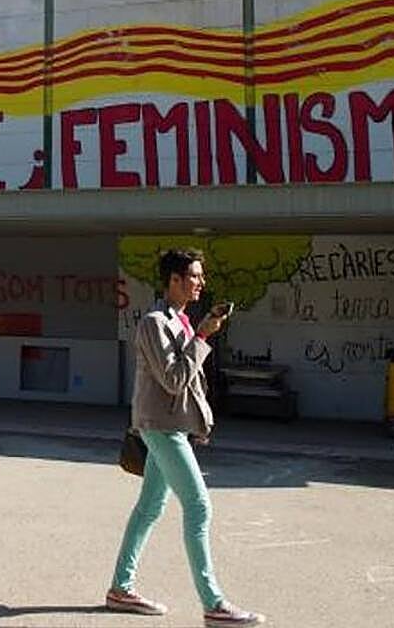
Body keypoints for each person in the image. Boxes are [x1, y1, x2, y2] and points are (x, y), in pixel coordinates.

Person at [106, 248, 265, 627]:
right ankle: (214, 603)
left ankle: (120, 590)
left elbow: (188, 383)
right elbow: (174, 379)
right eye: (194, 276)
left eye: (200, 276)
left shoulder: (179, 321)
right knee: (198, 507)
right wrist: (204, 335)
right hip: (160, 427)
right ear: (173, 281)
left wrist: (199, 423)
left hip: (172, 425)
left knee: (149, 509)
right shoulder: (153, 323)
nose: (201, 283)